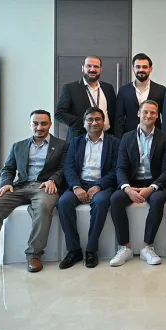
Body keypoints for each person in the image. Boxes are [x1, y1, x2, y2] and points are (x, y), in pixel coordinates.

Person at [0, 110, 68, 275]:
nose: (39, 127)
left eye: (44, 123)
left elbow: (64, 168)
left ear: (50, 125)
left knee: (43, 208)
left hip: (45, 187)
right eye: (35, 123)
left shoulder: (62, 145)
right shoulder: (18, 146)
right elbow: (8, 169)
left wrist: (53, 180)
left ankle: (34, 254)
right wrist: (6, 184)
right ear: (30, 124)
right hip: (20, 186)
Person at [109, 100, 166, 267]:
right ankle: (125, 247)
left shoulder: (165, 138)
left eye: (153, 112)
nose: (148, 115)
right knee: (115, 199)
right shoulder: (126, 138)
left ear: (157, 116)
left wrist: (151, 188)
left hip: (156, 183)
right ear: (139, 113)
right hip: (132, 182)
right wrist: (127, 189)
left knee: (158, 200)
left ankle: (147, 247)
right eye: (145, 112)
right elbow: (120, 168)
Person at [57, 107, 120, 269]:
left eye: (98, 119)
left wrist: (99, 185)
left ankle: (91, 250)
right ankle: (74, 250)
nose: (94, 122)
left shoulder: (114, 142)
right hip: (80, 183)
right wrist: (76, 186)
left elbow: (116, 169)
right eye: (90, 119)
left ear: (103, 122)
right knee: (63, 203)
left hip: (102, 185)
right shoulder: (75, 142)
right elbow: (69, 167)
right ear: (84, 123)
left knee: (100, 202)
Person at [56, 55, 117, 141]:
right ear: (82, 68)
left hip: (106, 138)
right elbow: (59, 114)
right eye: (89, 66)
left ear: (100, 69)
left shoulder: (108, 88)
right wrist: (85, 123)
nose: (92, 69)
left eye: (96, 66)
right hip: (80, 139)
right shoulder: (70, 88)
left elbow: (114, 113)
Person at [114, 53, 166, 137]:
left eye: (145, 67)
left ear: (150, 69)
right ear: (133, 69)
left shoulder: (161, 90)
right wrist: (119, 139)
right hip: (130, 137)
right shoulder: (123, 91)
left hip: (155, 136)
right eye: (138, 67)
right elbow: (118, 118)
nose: (141, 69)